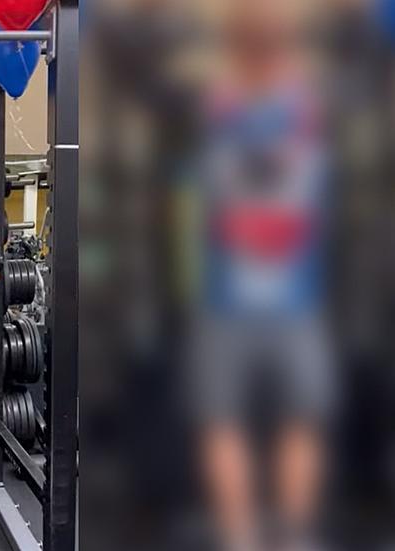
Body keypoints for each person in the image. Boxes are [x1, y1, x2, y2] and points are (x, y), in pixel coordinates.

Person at [187, 1, 335, 550]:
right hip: (244, 302)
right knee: (244, 423)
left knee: (281, 421)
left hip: (284, 302)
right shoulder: (292, 106)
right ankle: (251, 536)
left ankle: (264, 535)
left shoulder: (232, 107)